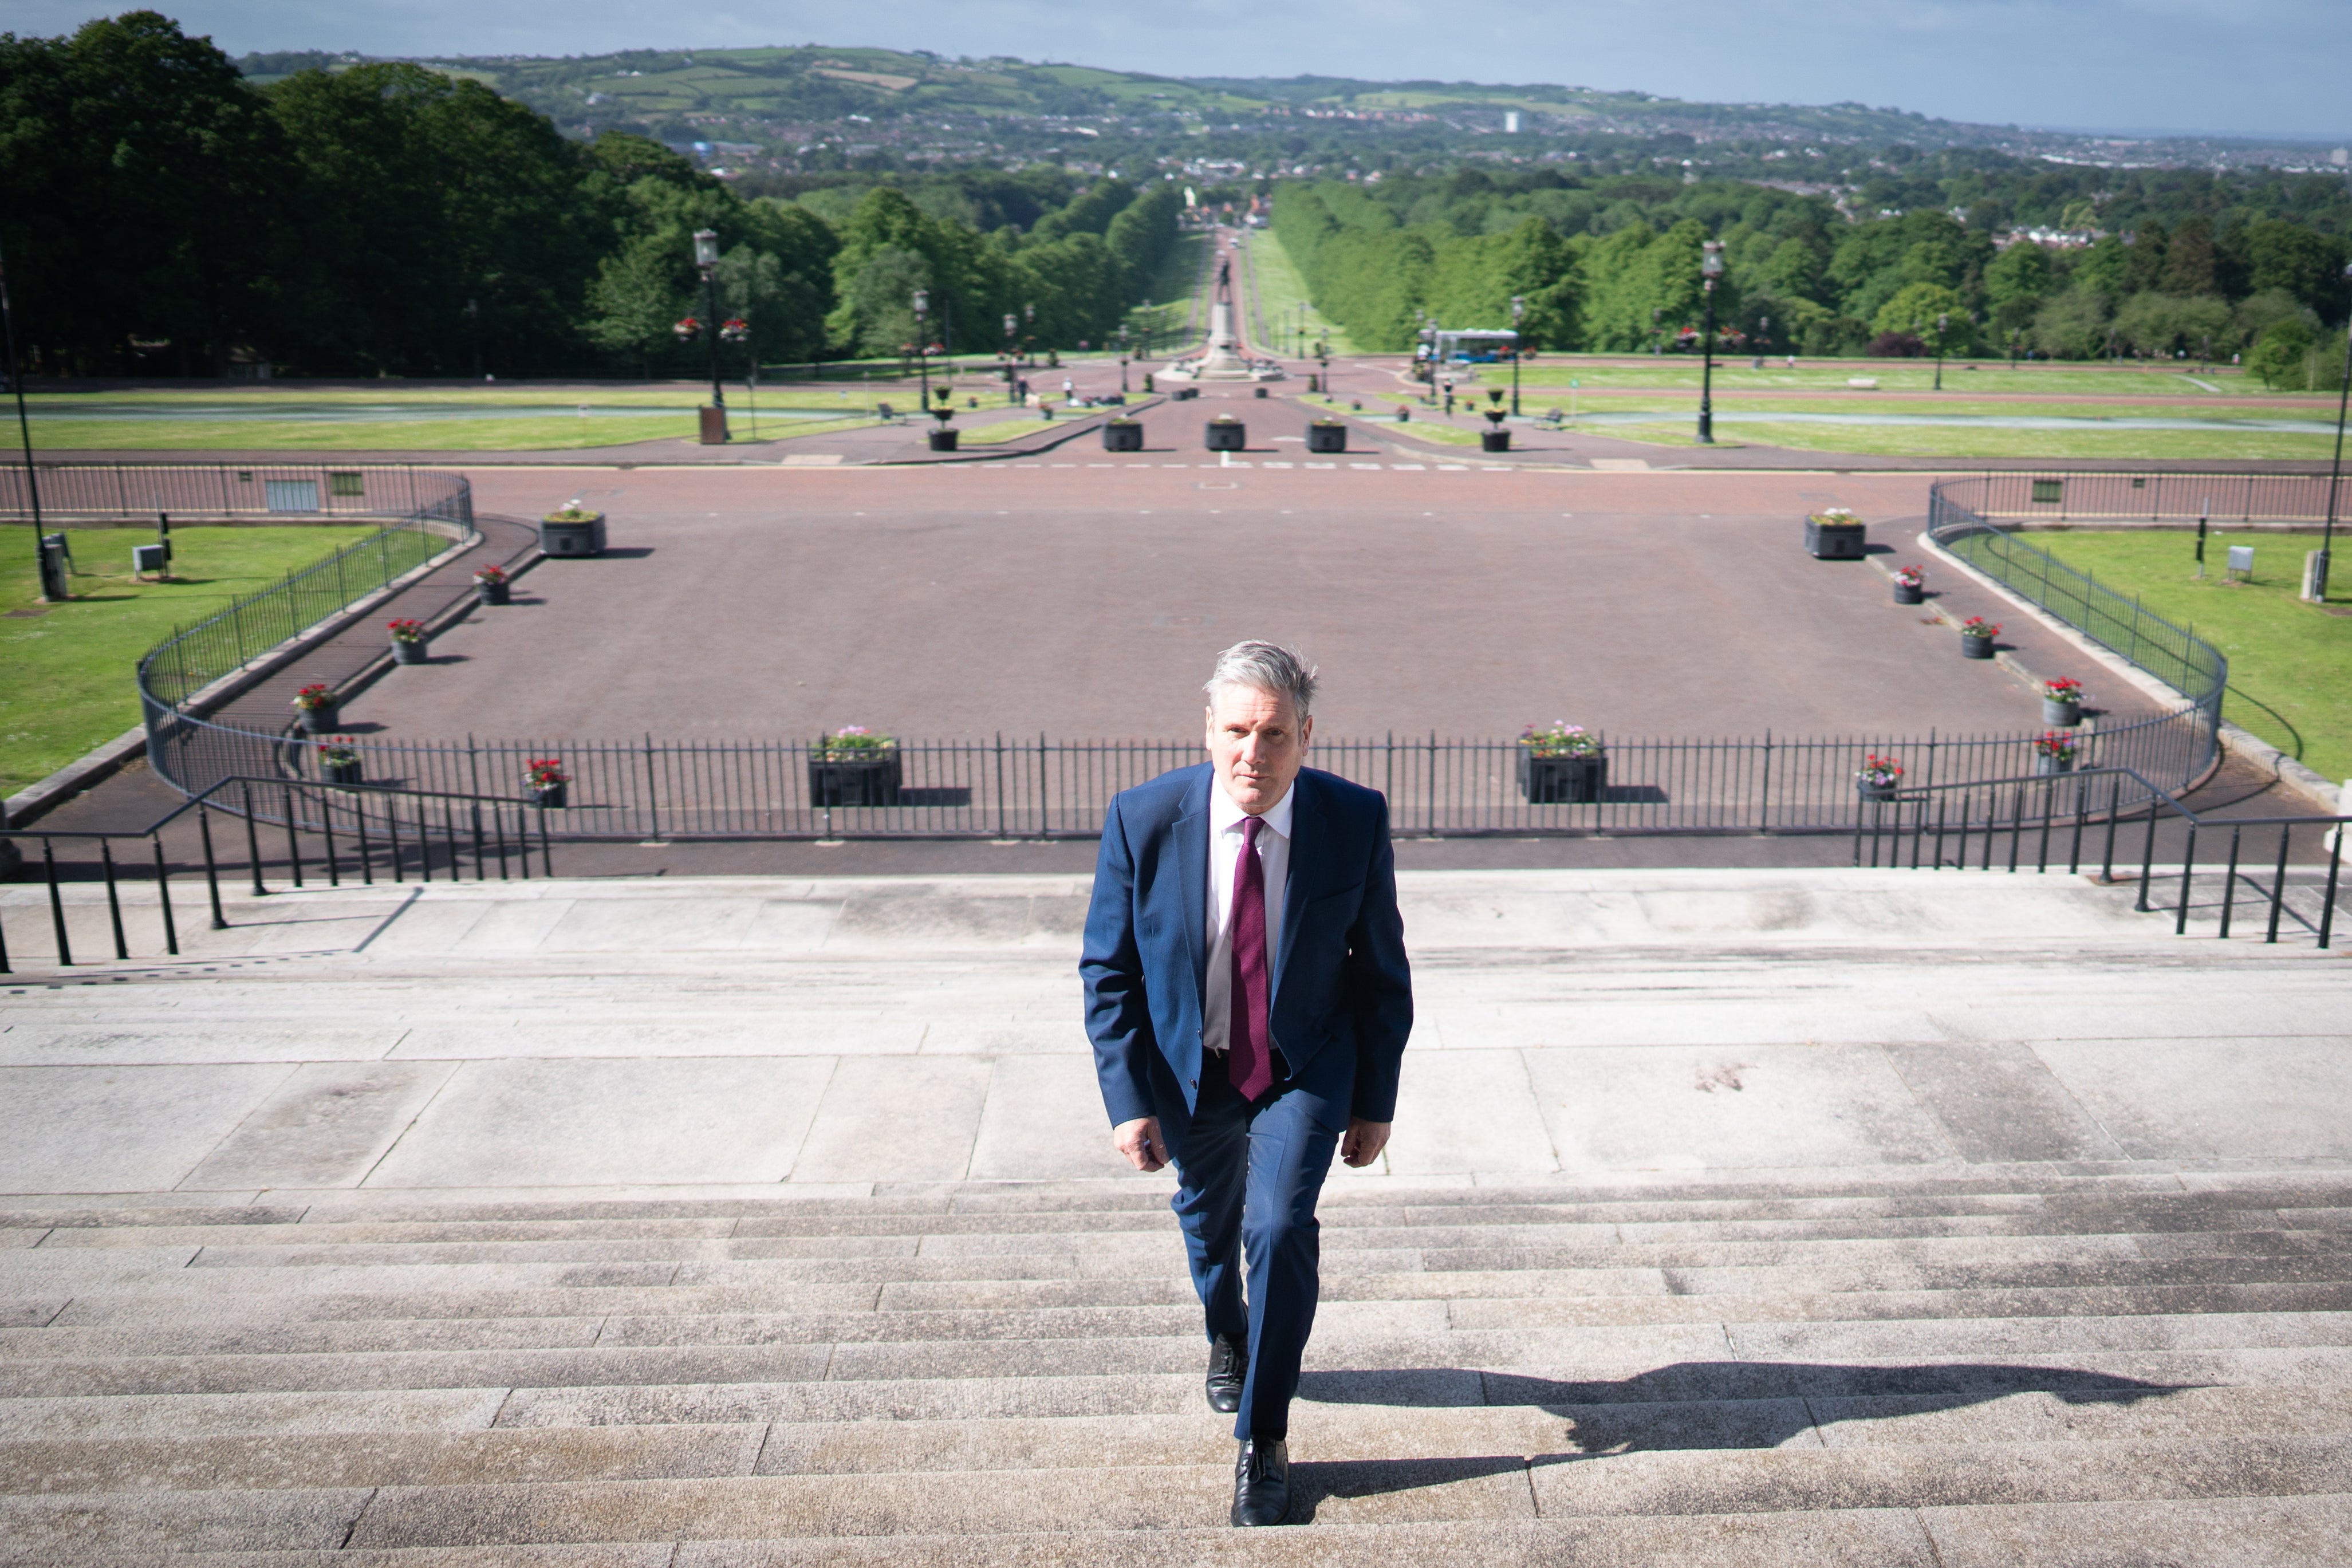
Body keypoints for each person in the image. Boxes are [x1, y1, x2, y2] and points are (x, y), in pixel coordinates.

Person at [1081, 642, 1413, 1528]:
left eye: (1273, 734)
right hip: (1192, 1073)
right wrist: (1129, 1101)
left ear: (1307, 734)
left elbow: (1382, 971)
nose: (1252, 755)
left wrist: (1374, 1098)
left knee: (1277, 1223)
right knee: (1209, 1223)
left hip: (1303, 1066)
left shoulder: (1353, 818)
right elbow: (1107, 973)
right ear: (1208, 729)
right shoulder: (1143, 819)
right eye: (1236, 731)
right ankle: (1226, 1325)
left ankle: (1264, 1438)